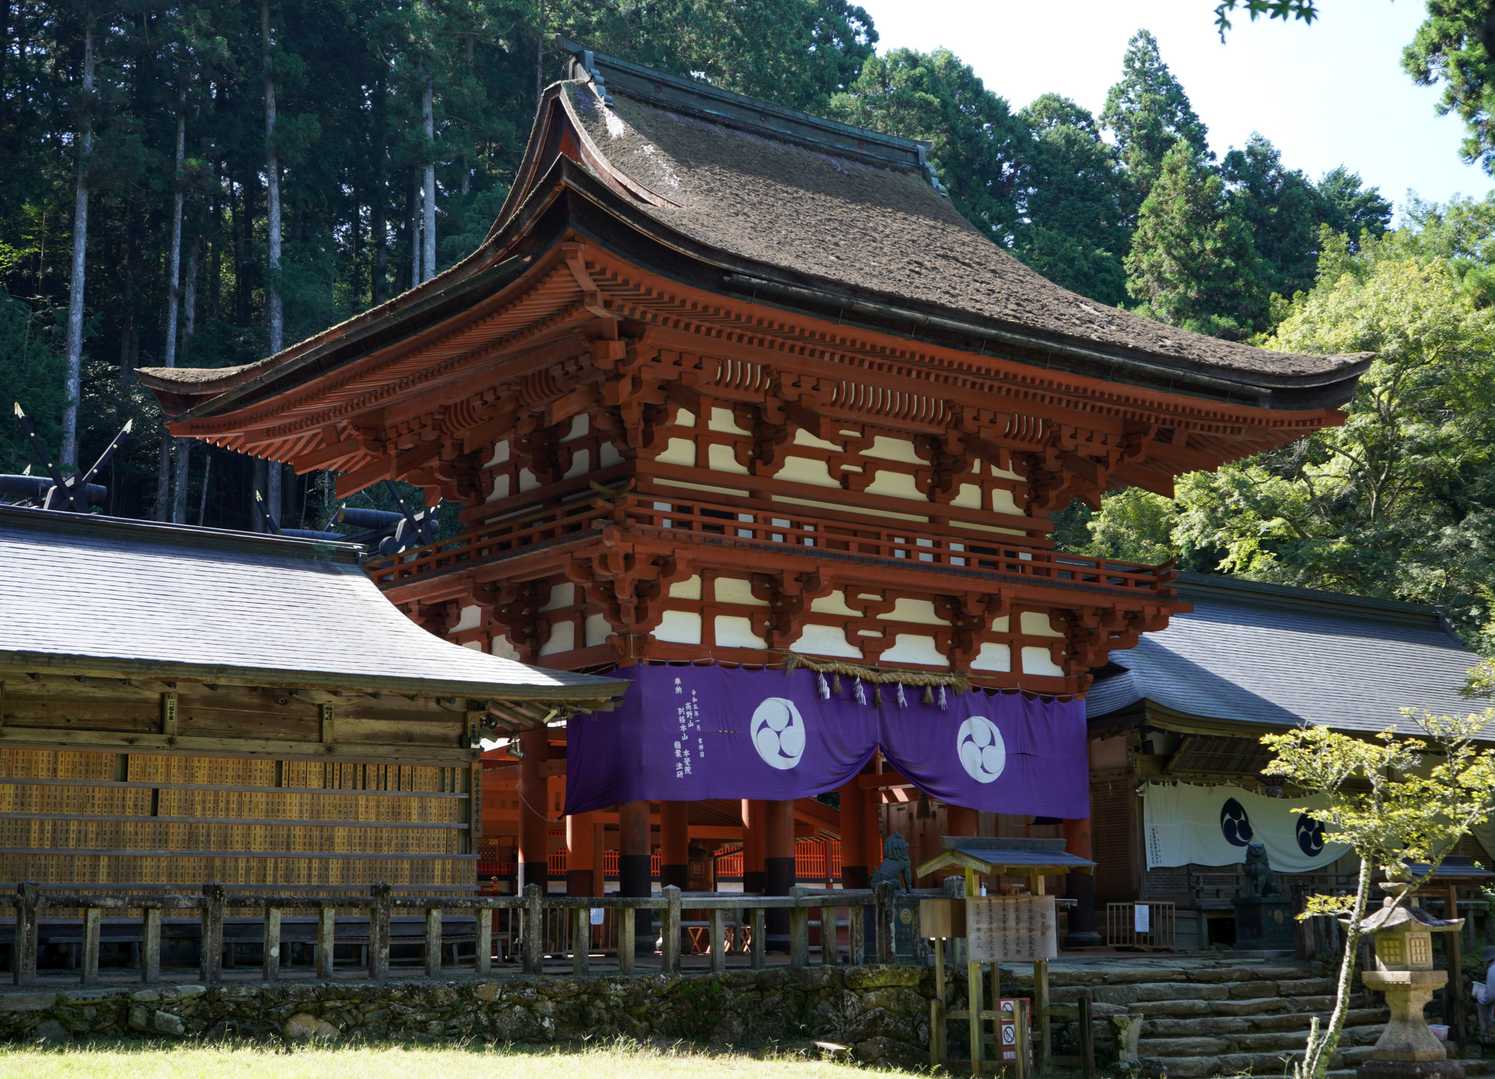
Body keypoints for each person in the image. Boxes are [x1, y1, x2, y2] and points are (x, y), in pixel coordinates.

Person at [1473, 945, 1495, 1039]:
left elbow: (1491, 995)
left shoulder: (1492, 969)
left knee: (1482, 1005)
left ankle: (1486, 1035)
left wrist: (1480, 997)